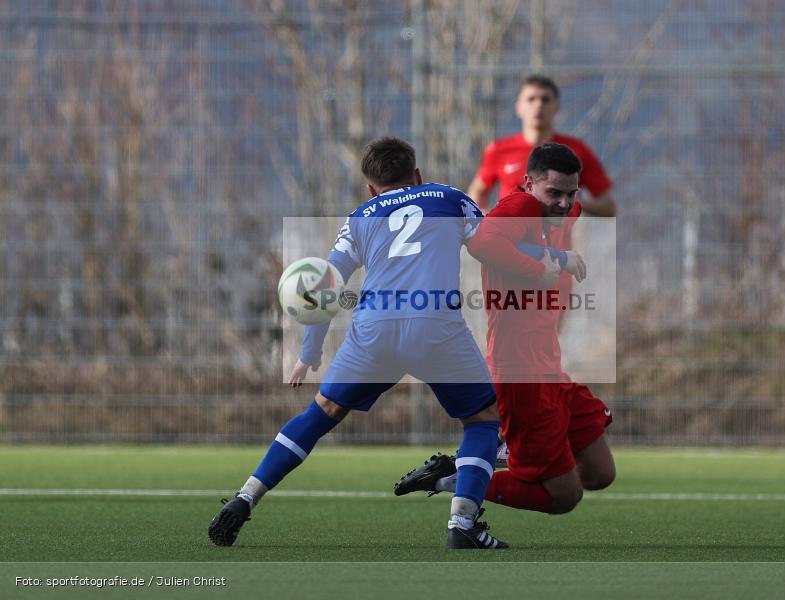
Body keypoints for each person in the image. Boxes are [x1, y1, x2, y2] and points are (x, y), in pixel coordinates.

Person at [209, 137, 516, 550]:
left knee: (322, 413)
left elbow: (324, 286)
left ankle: (246, 497)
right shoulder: (449, 198)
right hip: (435, 327)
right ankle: (462, 525)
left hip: (374, 331)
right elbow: (491, 248)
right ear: (417, 175)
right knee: (482, 421)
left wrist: (310, 352)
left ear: (371, 187)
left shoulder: (359, 218)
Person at [395, 143, 616, 516]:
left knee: (599, 472)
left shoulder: (563, 212)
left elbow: (564, 217)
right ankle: (456, 479)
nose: (564, 203)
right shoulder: (522, 206)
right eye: (554, 192)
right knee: (563, 496)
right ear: (528, 183)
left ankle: (482, 460)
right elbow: (482, 242)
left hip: (550, 371)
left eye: (571, 193)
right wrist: (547, 264)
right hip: (521, 376)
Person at [467, 75, 616, 217]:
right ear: (518, 107)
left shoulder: (576, 150)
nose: (538, 105)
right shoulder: (499, 149)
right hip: (509, 234)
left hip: (557, 234)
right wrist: (482, 217)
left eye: (545, 99)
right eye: (531, 99)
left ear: (556, 107)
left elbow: (608, 206)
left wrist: (574, 203)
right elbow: (477, 191)